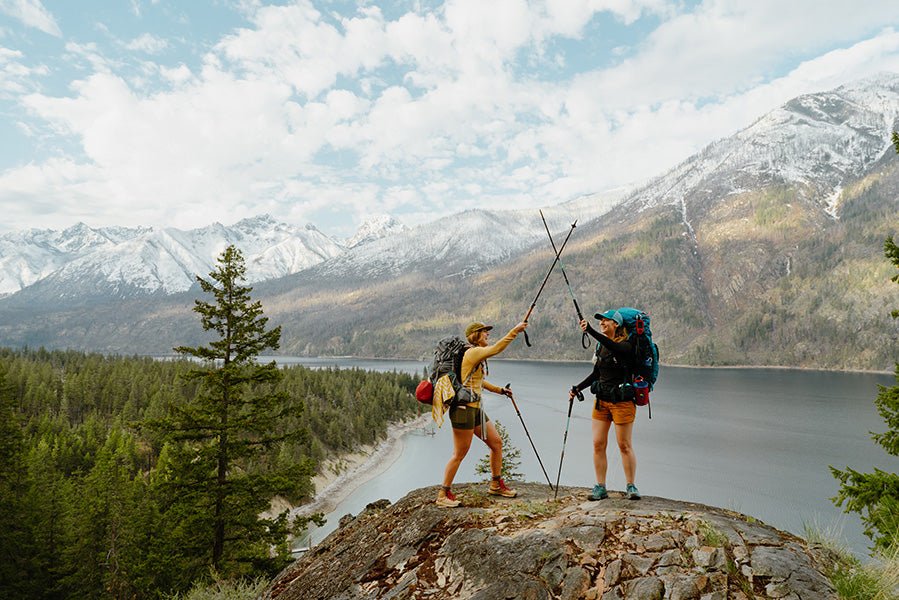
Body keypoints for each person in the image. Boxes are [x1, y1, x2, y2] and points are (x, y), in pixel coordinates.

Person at [436, 320, 528, 508]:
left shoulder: (473, 354)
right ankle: (442, 494)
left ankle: (495, 484)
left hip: (475, 407)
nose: (487, 334)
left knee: (496, 443)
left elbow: (479, 382)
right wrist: (515, 331)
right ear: (475, 335)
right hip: (463, 409)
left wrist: (500, 390)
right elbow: (497, 349)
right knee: (459, 453)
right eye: (484, 332)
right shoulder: (473, 352)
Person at [569, 309, 642, 501]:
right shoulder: (601, 347)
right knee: (598, 444)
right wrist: (578, 388)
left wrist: (590, 331)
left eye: (606, 321)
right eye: (600, 321)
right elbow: (596, 373)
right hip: (602, 401)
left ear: (616, 324)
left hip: (622, 403)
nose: (602, 323)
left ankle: (631, 486)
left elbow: (616, 349)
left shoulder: (628, 345)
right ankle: (600, 487)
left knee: (624, 445)